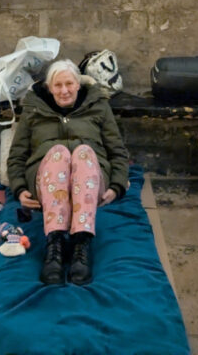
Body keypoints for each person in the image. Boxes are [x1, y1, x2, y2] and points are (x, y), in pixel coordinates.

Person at [7, 59, 129, 285]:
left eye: (69, 84)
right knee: (58, 153)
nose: (64, 91)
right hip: (47, 180)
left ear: (78, 85)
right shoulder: (33, 109)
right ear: (49, 88)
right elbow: (17, 155)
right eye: (58, 85)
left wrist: (116, 186)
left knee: (83, 152)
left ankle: (81, 243)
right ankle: (55, 243)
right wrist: (20, 189)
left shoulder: (99, 105)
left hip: (91, 178)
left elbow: (117, 151)